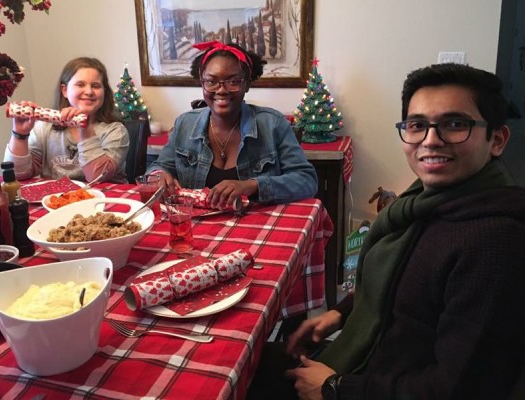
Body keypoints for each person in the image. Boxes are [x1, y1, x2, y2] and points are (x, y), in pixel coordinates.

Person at [248, 63, 525, 400]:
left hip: (371, 382)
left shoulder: (494, 243)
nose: (431, 140)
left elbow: (460, 387)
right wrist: (341, 313)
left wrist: (334, 388)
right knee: (243, 360)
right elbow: (401, 282)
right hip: (368, 359)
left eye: (455, 124)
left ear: (496, 140)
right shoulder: (426, 201)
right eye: (417, 125)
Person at [147, 42, 317, 207]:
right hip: (196, 227)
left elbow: (307, 180)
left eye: (233, 82)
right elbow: (159, 166)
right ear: (202, 83)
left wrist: (251, 185)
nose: (221, 90)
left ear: (247, 84)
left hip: (257, 229)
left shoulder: (273, 124)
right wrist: (158, 175)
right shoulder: (184, 123)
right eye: (211, 81)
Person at [4, 57, 129, 183]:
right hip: (57, 200)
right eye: (80, 84)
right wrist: (19, 134)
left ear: (104, 92)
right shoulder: (43, 128)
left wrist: (85, 131)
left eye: (96, 86)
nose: (89, 91)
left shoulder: (115, 131)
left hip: (105, 199)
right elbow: (17, 175)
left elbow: (96, 177)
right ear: (65, 90)